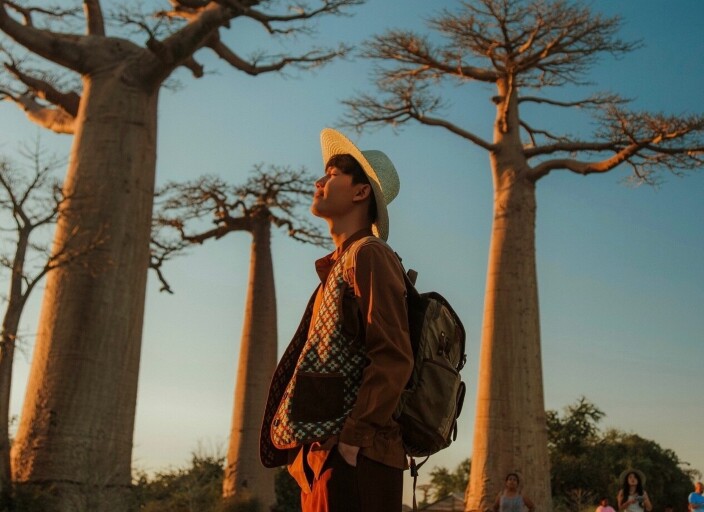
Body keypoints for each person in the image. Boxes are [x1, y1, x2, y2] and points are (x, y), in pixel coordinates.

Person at [259, 128, 414, 511]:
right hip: (325, 460)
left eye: (332, 174)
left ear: (361, 192)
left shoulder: (369, 254)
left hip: (355, 459)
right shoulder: (342, 263)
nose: (319, 180)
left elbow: (394, 356)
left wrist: (350, 441)